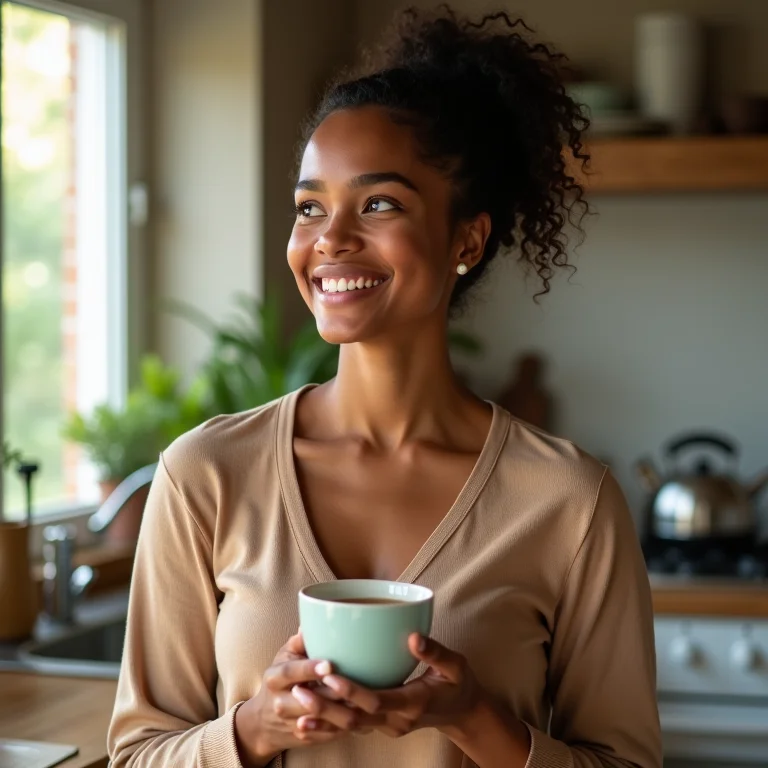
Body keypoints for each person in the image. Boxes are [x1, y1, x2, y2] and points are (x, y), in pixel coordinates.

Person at [108, 8, 661, 768]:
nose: (329, 239)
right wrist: (255, 729)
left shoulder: (570, 500)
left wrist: (476, 720)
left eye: (379, 203)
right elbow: (138, 754)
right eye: (310, 206)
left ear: (467, 237)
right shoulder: (205, 475)